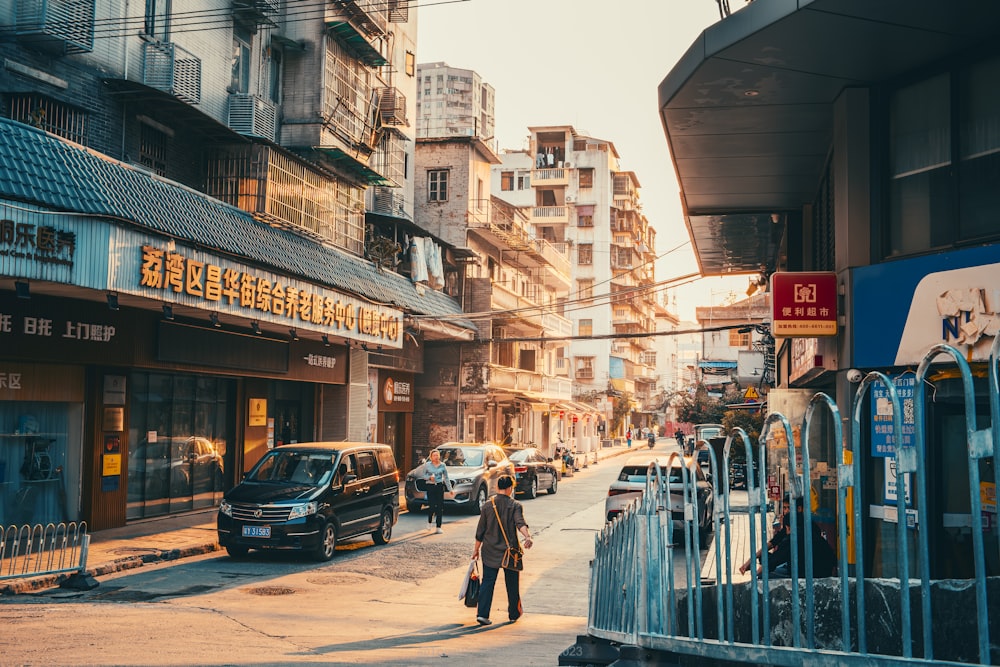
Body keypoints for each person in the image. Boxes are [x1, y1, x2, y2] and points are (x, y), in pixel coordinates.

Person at [472, 475, 532, 625]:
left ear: (498, 487)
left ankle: (482, 614)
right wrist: (528, 536)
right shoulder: (515, 505)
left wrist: (476, 550)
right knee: (512, 583)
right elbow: (520, 523)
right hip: (509, 552)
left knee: (488, 581)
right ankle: (513, 613)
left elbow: (480, 531)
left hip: (490, 550)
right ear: (510, 488)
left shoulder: (487, 505)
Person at [421, 449, 451, 534]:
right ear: (431, 457)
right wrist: (429, 478)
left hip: (439, 486)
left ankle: (438, 527)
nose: (436, 457)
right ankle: (429, 522)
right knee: (432, 506)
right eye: (434, 455)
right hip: (430, 486)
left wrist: (450, 489)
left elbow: (446, 478)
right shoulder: (427, 465)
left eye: (437, 455)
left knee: (440, 507)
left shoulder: (443, 465)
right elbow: (423, 475)